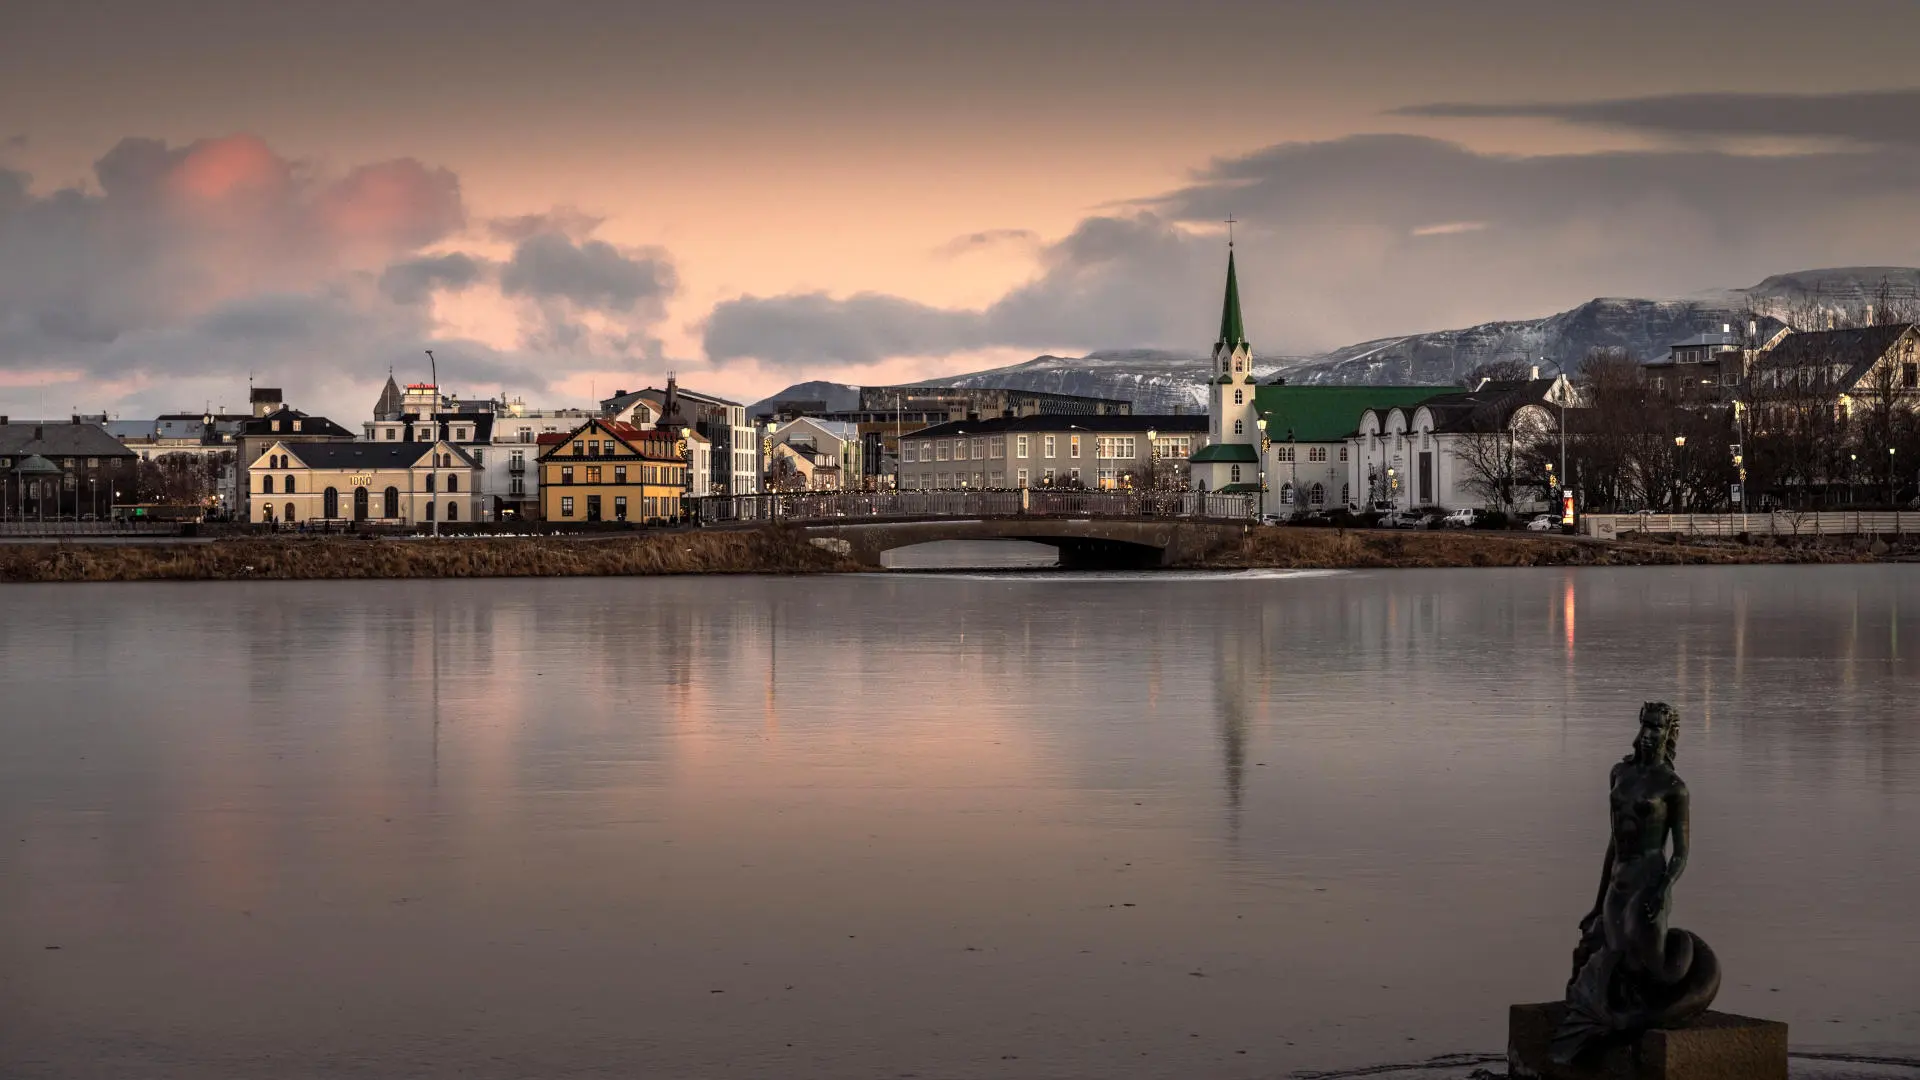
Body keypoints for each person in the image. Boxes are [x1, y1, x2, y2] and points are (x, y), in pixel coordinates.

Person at [1553, 703, 1721, 1063]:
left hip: (1648, 882)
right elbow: (1614, 842)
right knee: (1608, 952)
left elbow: (1680, 852)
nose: (1648, 734)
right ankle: (1604, 1032)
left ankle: (1639, 1026)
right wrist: (1598, 902)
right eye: (1645, 725)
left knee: (1650, 969)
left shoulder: (1674, 788)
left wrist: (1664, 890)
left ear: (1668, 734)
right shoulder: (1619, 774)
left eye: (1657, 728)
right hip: (1619, 882)